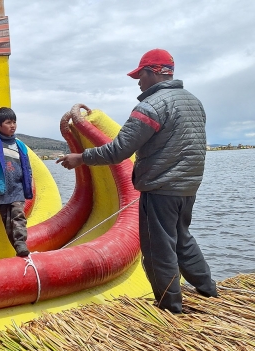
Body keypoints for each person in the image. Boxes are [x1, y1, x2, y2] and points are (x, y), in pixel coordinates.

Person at [57, 49, 218, 313]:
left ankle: (170, 306)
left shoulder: (151, 107)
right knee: (182, 238)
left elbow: (119, 150)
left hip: (161, 188)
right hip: (188, 187)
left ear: (152, 72)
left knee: (158, 248)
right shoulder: (193, 101)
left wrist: (80, 158)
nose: (138, 82)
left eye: (140, 76)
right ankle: (207, 289)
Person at [0, 107, 33, 257]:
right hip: (1, 188)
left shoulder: (20, 145)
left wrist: (27, 184)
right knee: (7, 221)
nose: (13, 125)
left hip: (17, 187)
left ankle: (21, 243)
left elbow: (27, 167)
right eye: (8, 122)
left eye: (14, 122)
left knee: (18, 215)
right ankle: (18, 248)